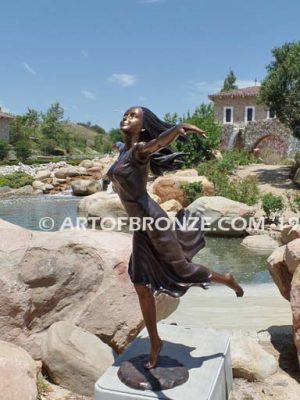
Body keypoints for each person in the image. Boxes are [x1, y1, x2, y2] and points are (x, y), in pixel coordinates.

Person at [107, 107, 244, 370]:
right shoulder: (123, 150)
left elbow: (157, 144)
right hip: (140, 226)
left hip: (153, 220)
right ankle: (155, 342)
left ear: (144, 125)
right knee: (139, 283)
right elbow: (123, 150)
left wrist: (176, 128)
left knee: (182, 268)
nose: (126, 117)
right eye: (125, 114)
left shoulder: (139, 151)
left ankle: (225, 279)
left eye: (134, 116)